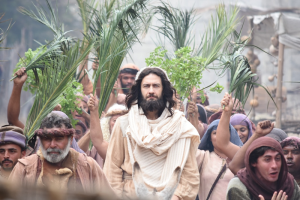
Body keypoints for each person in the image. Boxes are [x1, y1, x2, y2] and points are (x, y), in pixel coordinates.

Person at [103, 67, 200, 200]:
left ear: (164, 90)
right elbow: (112, 170)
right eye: (146, 86)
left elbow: (190, 175)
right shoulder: (124, 124)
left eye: (156, 86)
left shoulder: (180, 126)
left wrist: (176, 197)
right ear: (139, 90)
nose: (151, 91)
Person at [8, 111, 113, 193]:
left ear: (71, 139)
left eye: (59, 138)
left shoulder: (88, 166)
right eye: (47, 138)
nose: (53, 144)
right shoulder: (25, 167)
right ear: (40, 140)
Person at [196, 94, 243, 200]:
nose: (219, 136)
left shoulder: (239, 159)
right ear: (209, 137)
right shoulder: (203, 157)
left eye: (224, 132)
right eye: (215, 133)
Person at [226, 136, 300, 200]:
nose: (274, 165)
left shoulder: (289, 184)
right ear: (253, 162)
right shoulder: (239, 187)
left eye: (277, 158)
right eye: (267, 159)